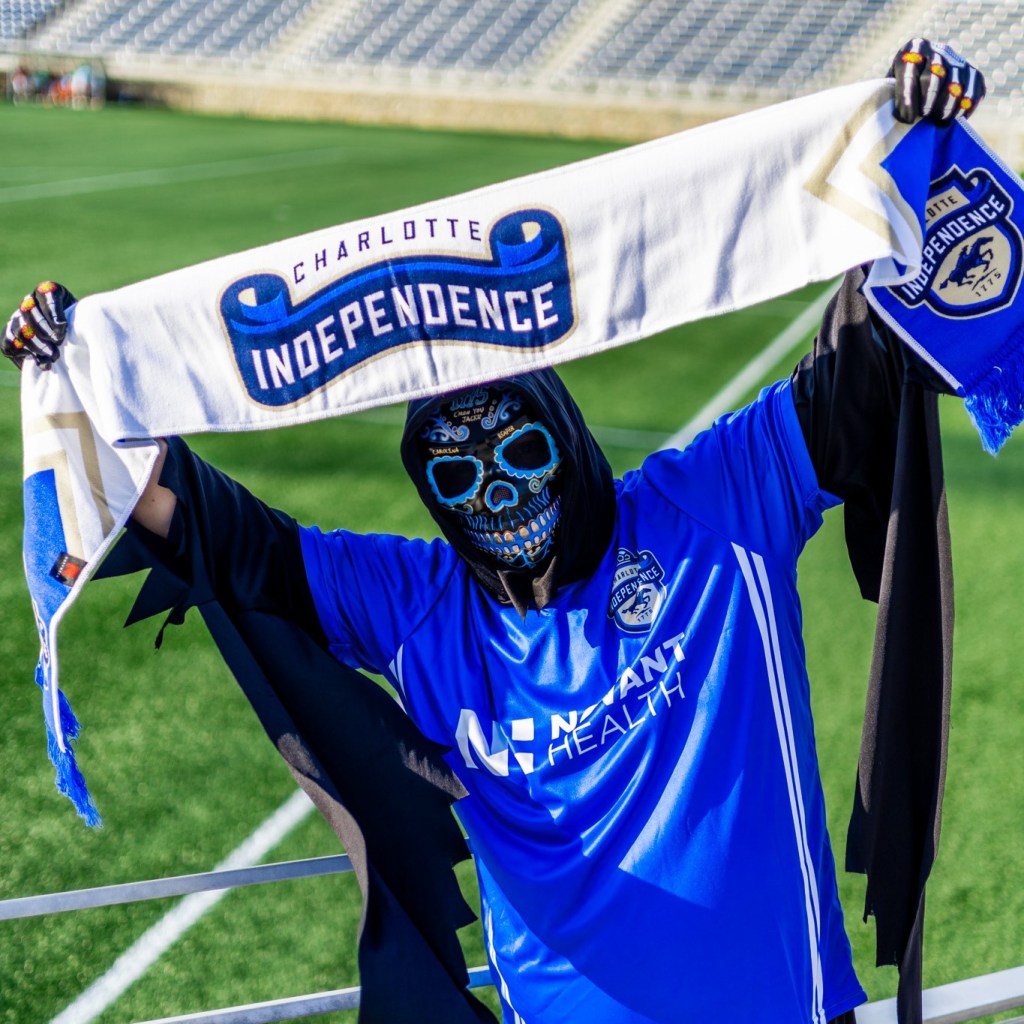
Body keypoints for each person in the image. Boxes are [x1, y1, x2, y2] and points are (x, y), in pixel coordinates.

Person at [3, 41, 986, 1024]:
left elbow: (856, 370)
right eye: (455, 475)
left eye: (516, 453)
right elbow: (220, 536)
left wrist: (907, 141)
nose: (493, 495)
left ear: (561, 433)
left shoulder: (716, 504)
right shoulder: (418, 602)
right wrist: (79, 381)